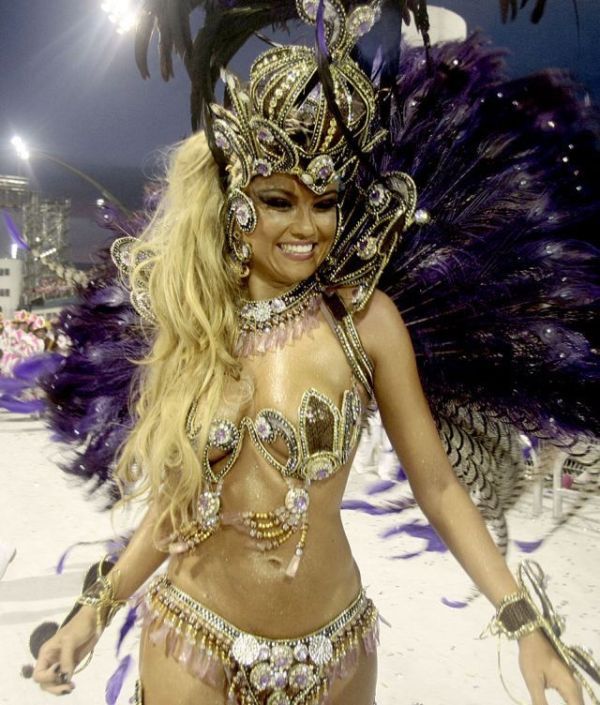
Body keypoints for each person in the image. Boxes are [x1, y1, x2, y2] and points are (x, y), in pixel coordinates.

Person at [30, 1, 599, 704]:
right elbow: (175, 512)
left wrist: (525, 624)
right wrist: (93, 612)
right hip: (193, 640)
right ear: (237, 200)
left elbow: (441, 487)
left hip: (337, 649)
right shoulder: (198, 324)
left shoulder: (367, 323)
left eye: (324, 201)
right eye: (279, 200)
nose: (307, 226)